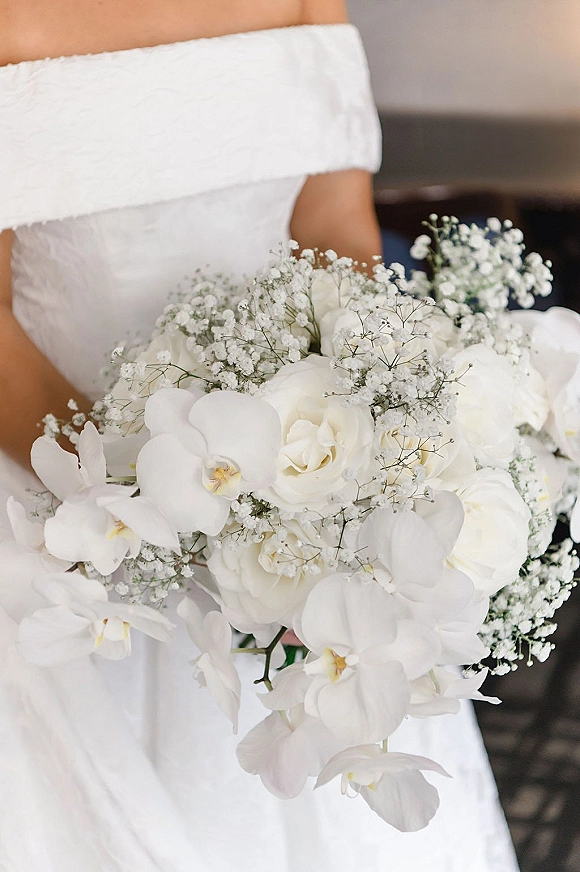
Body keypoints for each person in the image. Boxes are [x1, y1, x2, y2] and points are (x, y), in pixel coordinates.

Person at [0, 1, 520, 869]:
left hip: (289, 491)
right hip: (68, 503)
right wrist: (147, 500)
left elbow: (333, 237)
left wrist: (349, 461)